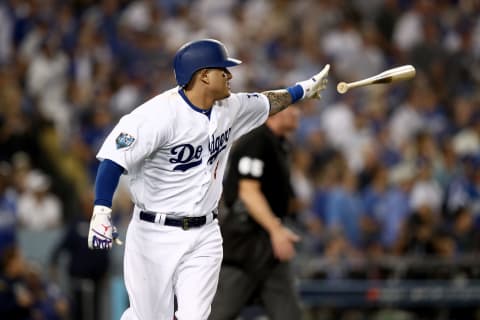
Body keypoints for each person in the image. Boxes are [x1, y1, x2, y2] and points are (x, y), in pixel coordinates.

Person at [87, 38, 329, 320]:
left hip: (205, 234)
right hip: (154, 234)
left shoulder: (231, 107)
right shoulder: (156, 116)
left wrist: (305, 89)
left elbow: (270, 101)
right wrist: (101, 212)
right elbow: (113, 161)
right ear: (203, 75)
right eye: (223, 70)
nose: (230, 76)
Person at [209, 106, 303, 320]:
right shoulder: (256, 140)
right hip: (244, 244)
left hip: (268, 244)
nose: (297, 113)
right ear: (276, 109)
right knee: (218, 313)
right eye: (292, 107)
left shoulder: (278, 143)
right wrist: (276, 230)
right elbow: (248, 193)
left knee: (289, 315)